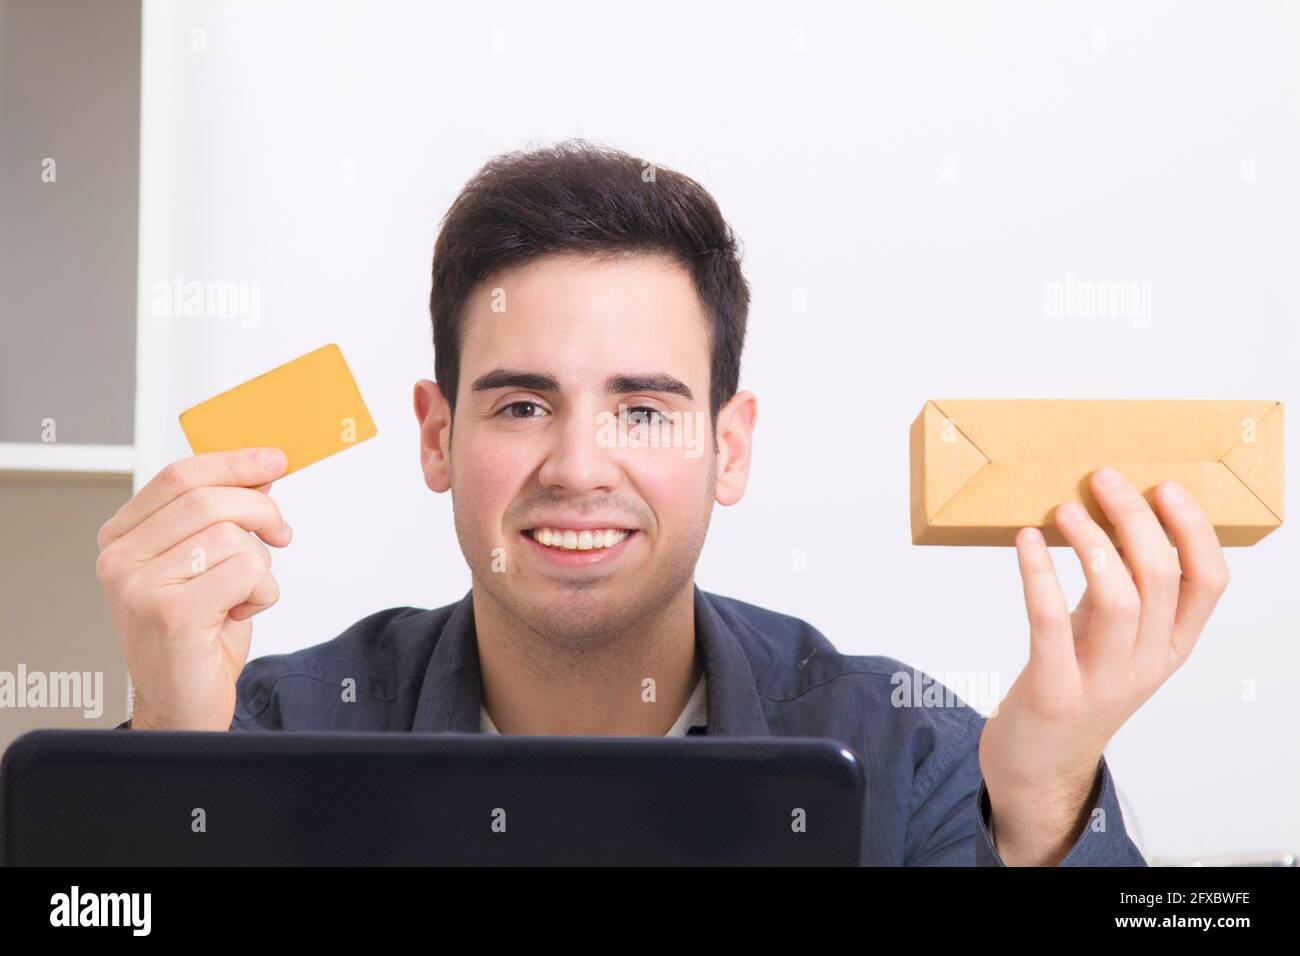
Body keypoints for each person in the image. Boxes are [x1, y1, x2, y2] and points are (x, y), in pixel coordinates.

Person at [96, 140, 1229, 865]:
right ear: (438, 437)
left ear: (728, 449)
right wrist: (171, 758)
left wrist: (1038, 812)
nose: (581, 465)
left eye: (643, 409)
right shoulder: (275, 733)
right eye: (521, 406)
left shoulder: (911, 759)